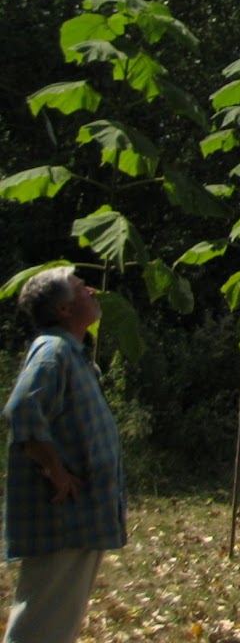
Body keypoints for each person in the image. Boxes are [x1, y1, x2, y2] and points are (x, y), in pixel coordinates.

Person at [2, 269, 125, 642]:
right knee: (42, 622)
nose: (90, 289)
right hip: (62, 515)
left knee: (58, 621)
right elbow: (23, 409)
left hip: (80, 515)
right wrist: (55, 471)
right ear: (63, 307)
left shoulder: (70, 352)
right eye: (78, 286)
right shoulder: (53, 351)